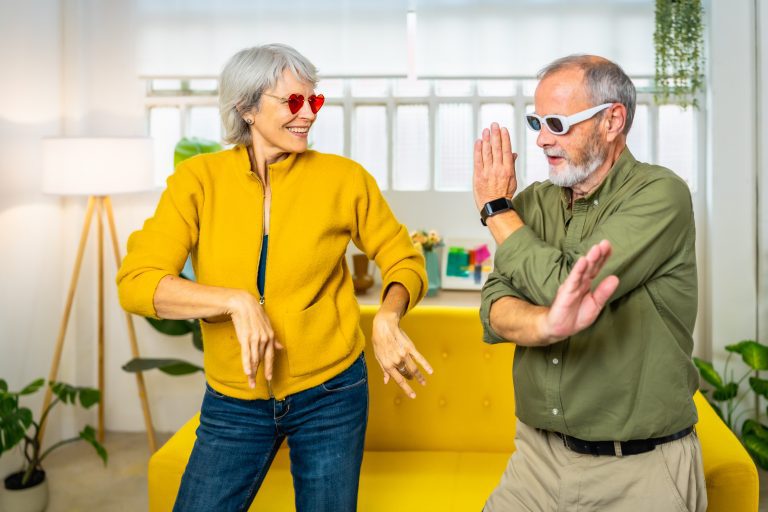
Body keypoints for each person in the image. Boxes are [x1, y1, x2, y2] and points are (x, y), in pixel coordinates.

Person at [117, 43, 432, 512]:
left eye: (314, 100)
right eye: (293, 101)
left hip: (331, 393)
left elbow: (403, 257)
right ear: (246, 107)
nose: (308, 114)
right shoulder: (197, 181)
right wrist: (235, 301)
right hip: (234, 400)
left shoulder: (345, 179)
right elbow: (137, 282)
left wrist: (388, 315)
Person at [473, 55, 706, 511]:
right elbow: (494, 306)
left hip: (638, 470)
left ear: (612, 121)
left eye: (558, 124)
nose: (542, 139)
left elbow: (566, 286)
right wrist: (546, 326)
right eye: (537, 122)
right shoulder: (533, 203)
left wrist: (496, 209)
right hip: (536, 461)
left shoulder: (661, 194)